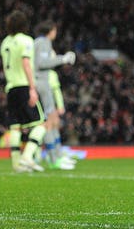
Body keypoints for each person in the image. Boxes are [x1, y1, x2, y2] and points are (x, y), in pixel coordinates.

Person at [0, 9, 46, 173]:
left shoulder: (5, 42)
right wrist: (32, 88)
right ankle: (27, 156)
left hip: (11, 88)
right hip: (23, 86)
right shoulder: (26, 40)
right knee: (41, 124)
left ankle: (17, 164)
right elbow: (26, 63)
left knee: (15, 127)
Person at [33, 20, 76, 170]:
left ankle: (56, 156)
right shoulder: (43, 42)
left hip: (41, 83)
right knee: (49, 122)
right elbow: (42, 63)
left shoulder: (38, 42)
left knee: (51, 122)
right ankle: (53, 158)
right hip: (42, 84)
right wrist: (62, 59)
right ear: (50, 30)